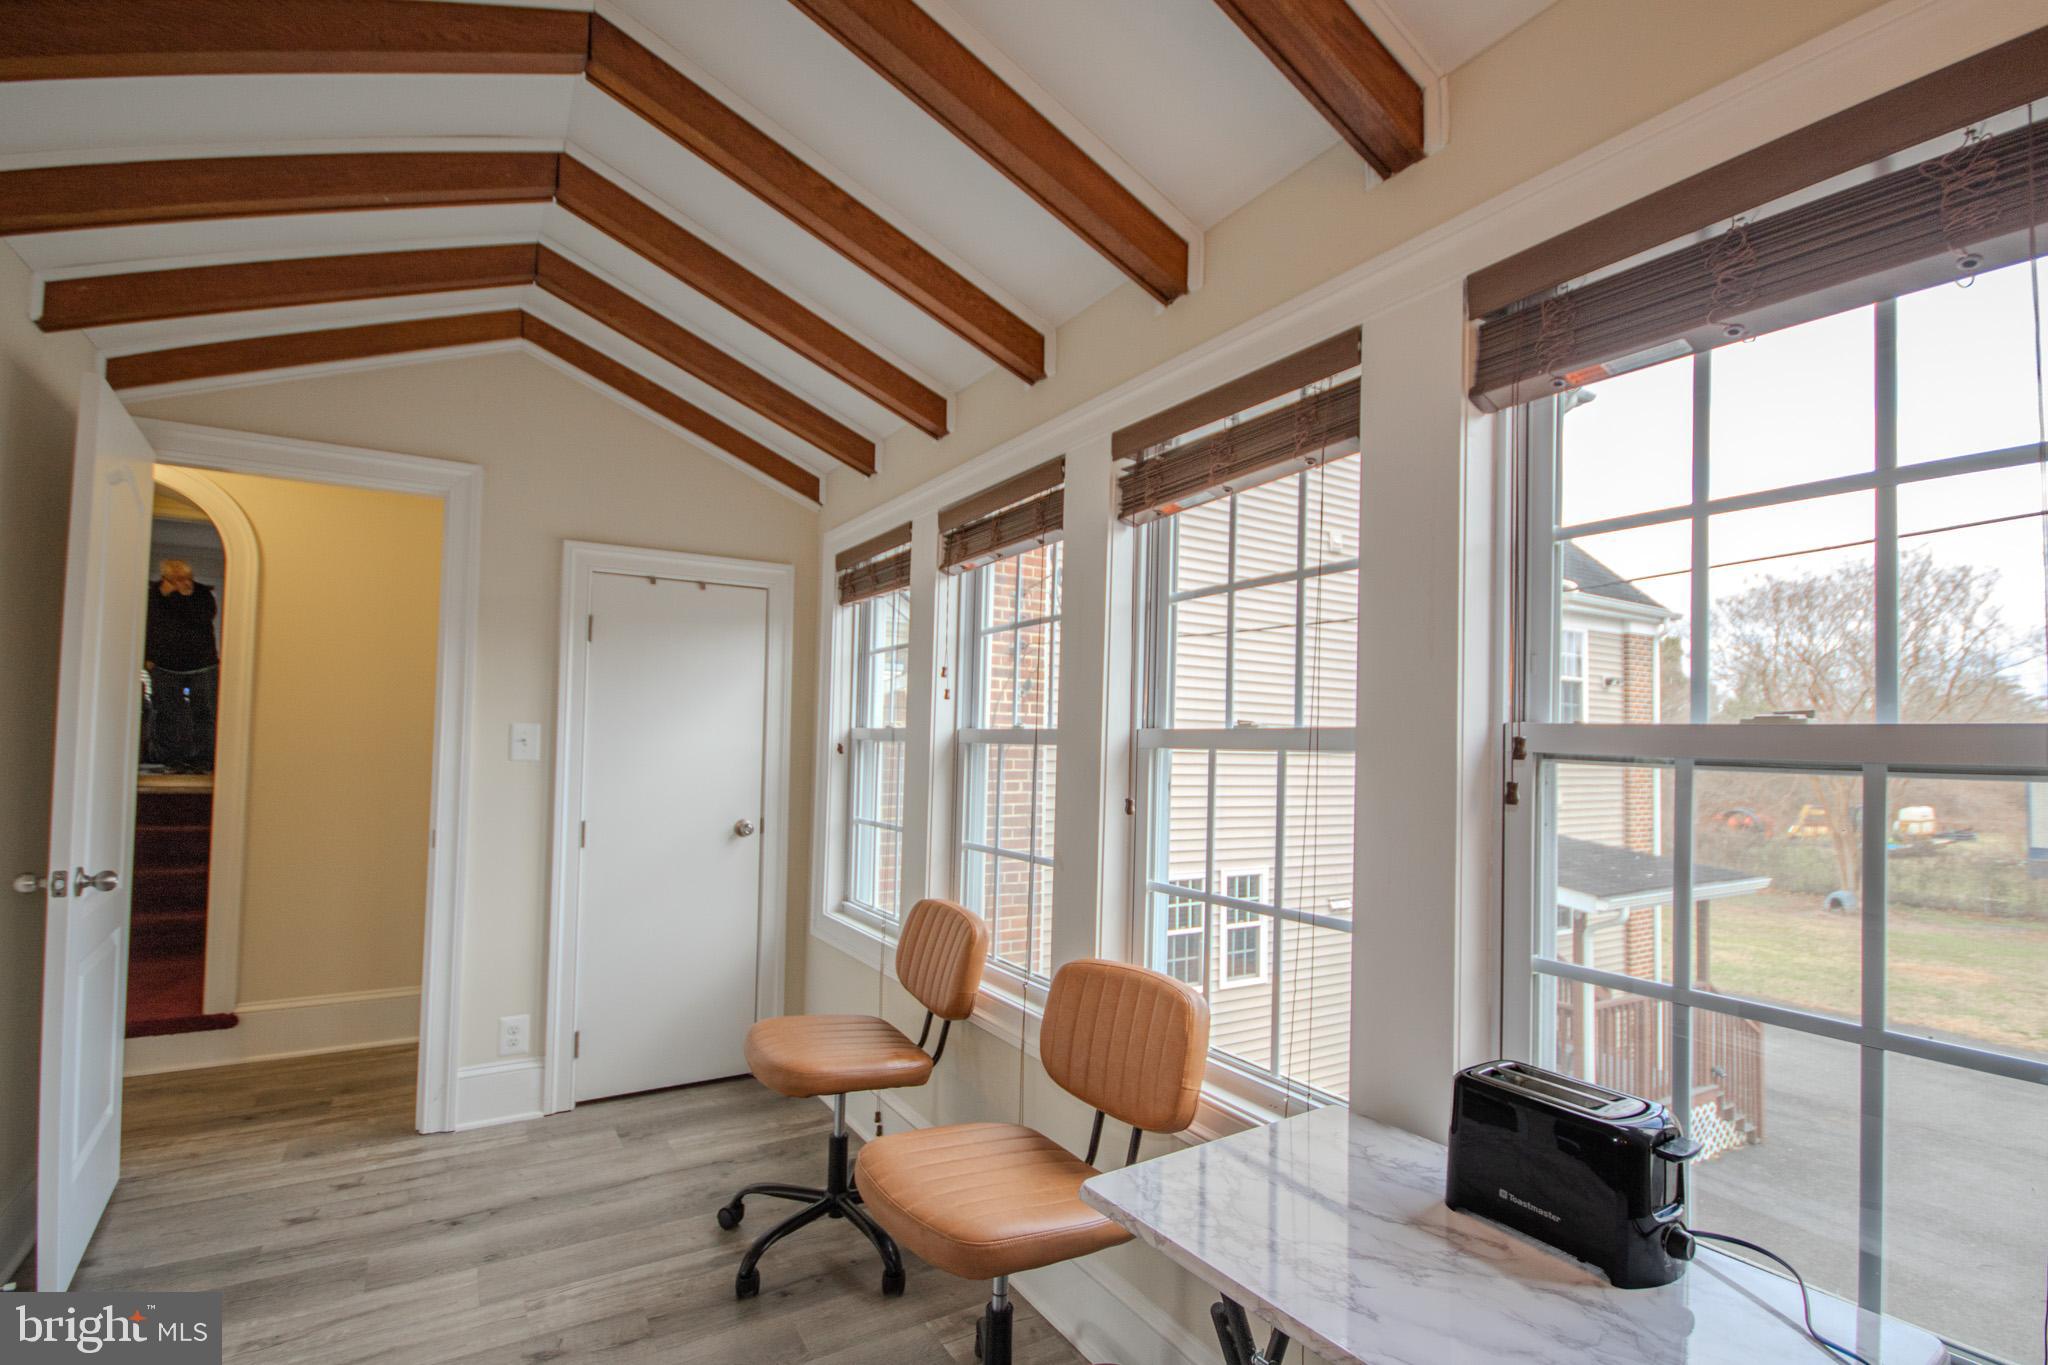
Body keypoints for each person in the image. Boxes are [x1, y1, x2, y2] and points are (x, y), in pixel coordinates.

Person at [145, 558, 219, 773]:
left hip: (202, 664)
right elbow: (149, 625)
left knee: (204, 712)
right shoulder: (153, 596)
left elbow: (200, 618)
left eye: (188, 578)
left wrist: (176, 597)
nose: (185, 583)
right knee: (169, 713)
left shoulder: (203, 595)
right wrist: (149, 657)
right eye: (178, 579)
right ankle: (174, 758)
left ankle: (204, 759)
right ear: (166, 579)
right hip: (165, 665)